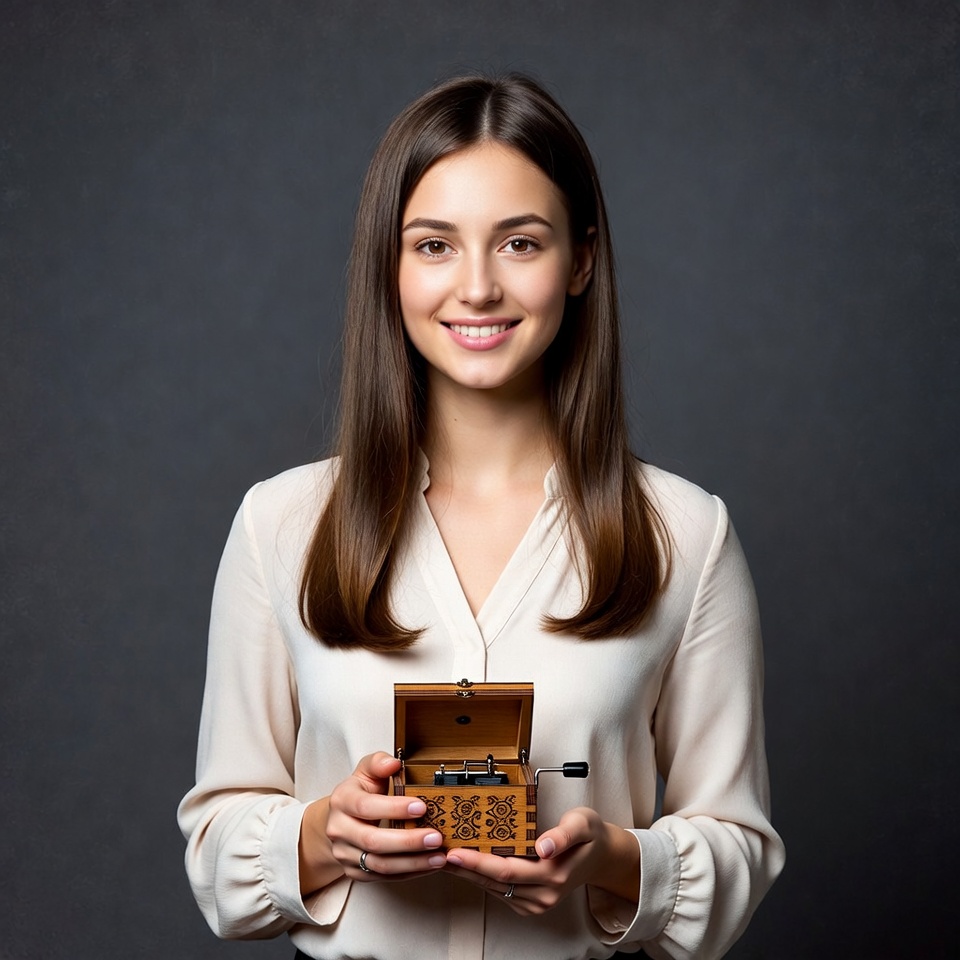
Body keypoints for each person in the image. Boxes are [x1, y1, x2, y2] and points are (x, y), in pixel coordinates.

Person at [177, 73, 785, 960]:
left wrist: (617, 859)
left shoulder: (686, 535)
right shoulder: (281, 525)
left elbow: (740, 851)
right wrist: (324, 834)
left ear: (580, 260)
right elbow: (216, 847)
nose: (477, 287)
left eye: (519, 243)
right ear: (389, 266)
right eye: (433, 245)